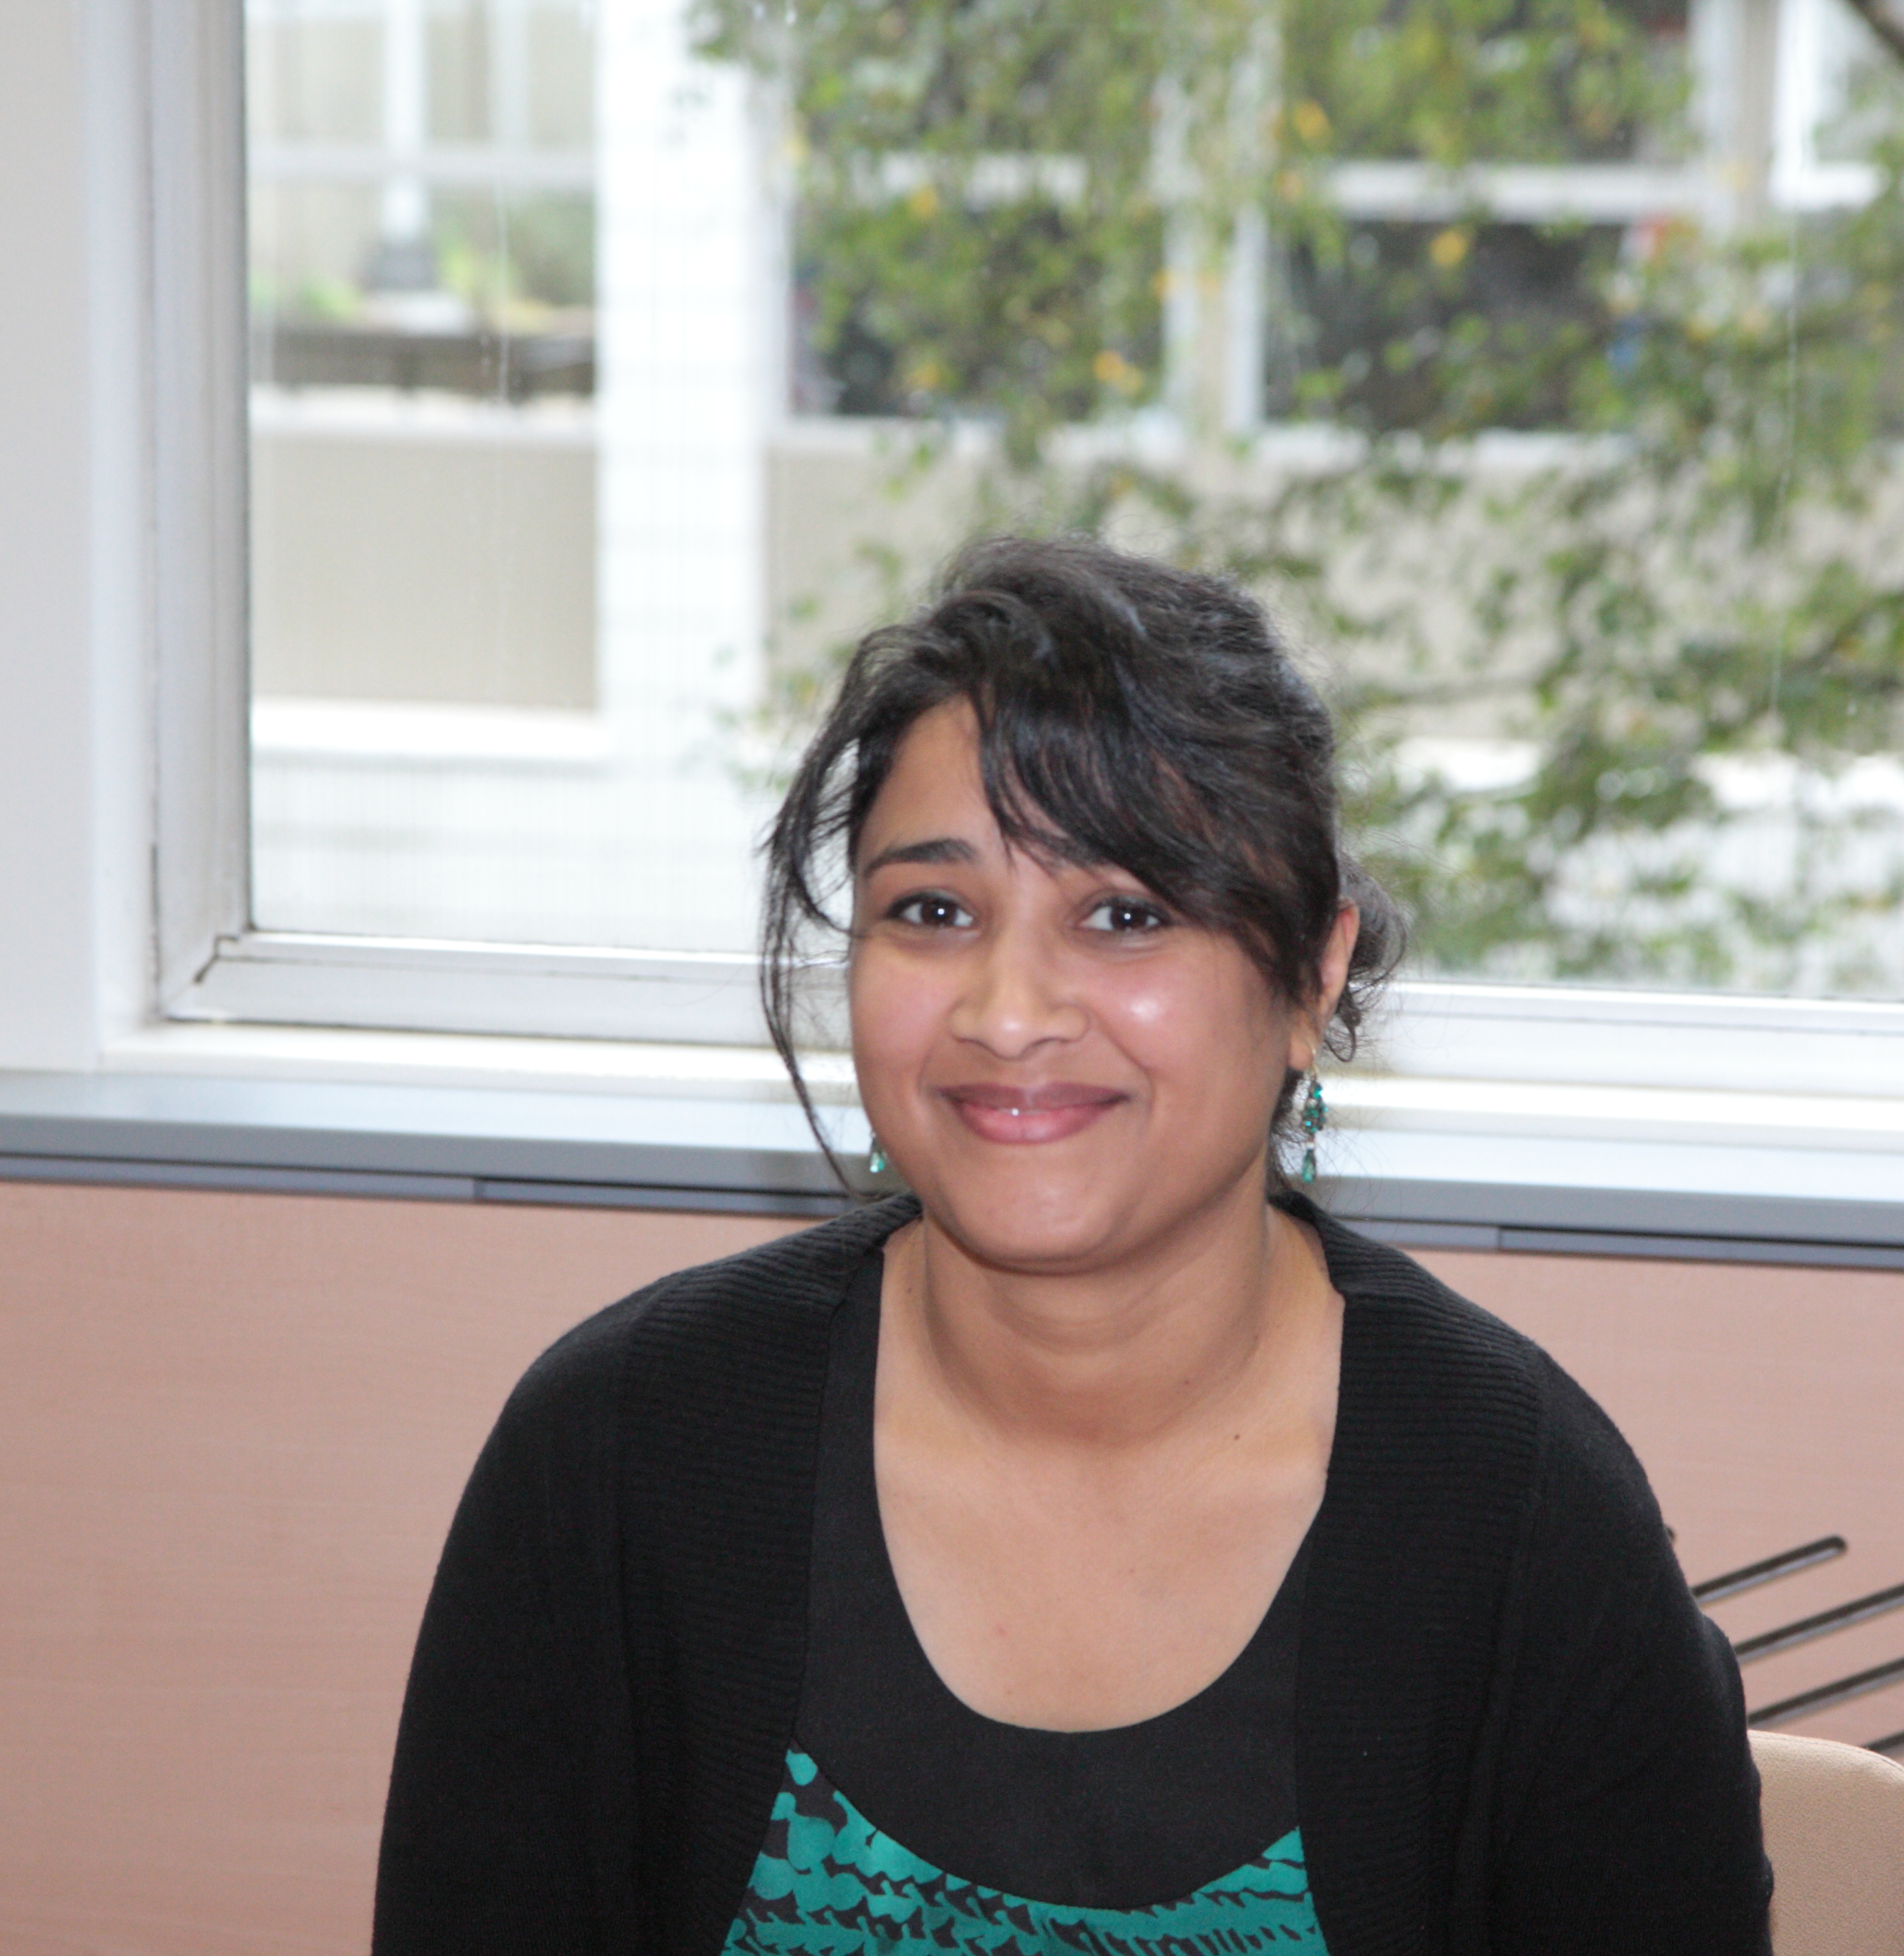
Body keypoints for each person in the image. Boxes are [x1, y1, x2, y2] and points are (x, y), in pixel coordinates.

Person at [374, 537, 1773, 1954]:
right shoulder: (625, 1452)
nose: (1008, 1010)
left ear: (1312, 974)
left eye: (1124, 914)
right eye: (934, 911)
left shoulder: (1519, 1518)